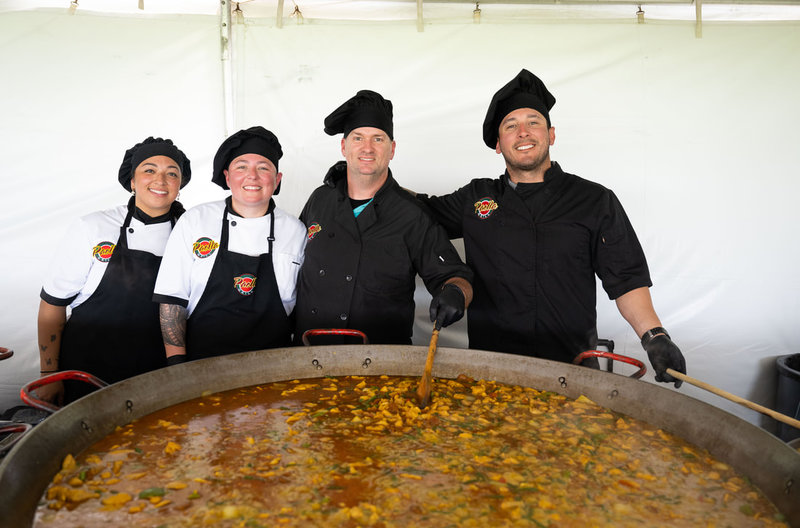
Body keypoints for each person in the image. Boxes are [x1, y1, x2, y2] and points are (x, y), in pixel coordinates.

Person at [419, 69, 686, 387]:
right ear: (498, 144)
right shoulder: (476, 197)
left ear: (552, 134)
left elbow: (626, 279)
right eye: (510, 126)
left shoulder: (594, 200)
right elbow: (414, 212)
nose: (523, 132)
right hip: (491, 373)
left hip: (571, 372)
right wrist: (373, 176)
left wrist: (655, 336)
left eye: (533, 122)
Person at [294, 90, 473, 345]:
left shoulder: (412, 214)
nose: (367, 148)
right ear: (344, 147)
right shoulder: (319, 200)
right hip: (308, 353)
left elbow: (454, 276)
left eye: (378, 139)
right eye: (358, 138)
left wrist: (455, 292)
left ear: (392, 149)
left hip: (383, 360)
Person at [38, 137, 192, 404]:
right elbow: (52, 305)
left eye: (171, 173)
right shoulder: (94, 227)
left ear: (180, 185)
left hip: (157, 374)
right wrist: (49, 374)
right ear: (132, 181)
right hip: (87, 371)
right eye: (149, 170)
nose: (160, 180)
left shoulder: (189, 233)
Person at [154, 126, 306, 364]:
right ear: (227, 177)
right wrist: (176, 364)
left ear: (277, 180)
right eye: (241, 167)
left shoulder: (295, 231)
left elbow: (303, 305)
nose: (252, 176)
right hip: (202, 363)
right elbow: (172, 299)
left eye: (263, 168)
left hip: (275, 364)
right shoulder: (196, 221)